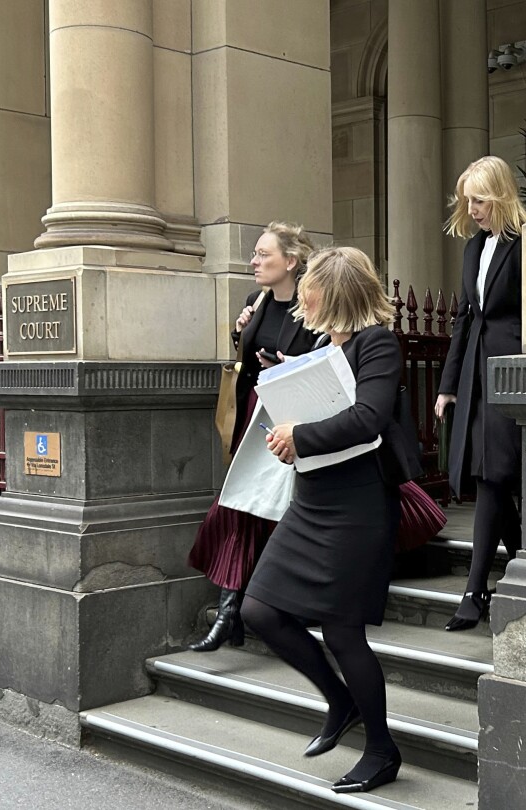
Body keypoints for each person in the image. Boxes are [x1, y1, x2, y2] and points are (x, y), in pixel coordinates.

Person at [241, 246, 421, 794]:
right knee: (259, 610)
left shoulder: (377, 344)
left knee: (343, 633)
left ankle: (382, 751)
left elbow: (368, 418)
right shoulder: (322, 344)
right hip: (313, 499)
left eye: (311, 289)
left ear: (331, 293)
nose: (303, 298)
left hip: (358, 506)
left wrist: (300, 436)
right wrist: (286, 431)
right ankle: (342, 701)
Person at [185, 222, 320, 652]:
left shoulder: (311, 304)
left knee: (266, 508)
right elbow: (246, 361)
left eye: (264, 254)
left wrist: (288, 364)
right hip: (253, 417)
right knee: (243, 506)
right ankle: (233, 611)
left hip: (290, 420)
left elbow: (324, 361)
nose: (254, 261)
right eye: (255, 254)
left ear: (291, 261)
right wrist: (240, 333)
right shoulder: (255, 301)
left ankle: (246, 609)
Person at [435, 156, 526, 632]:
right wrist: (448, 386)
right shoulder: (474, 247)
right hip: (475, 372)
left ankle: (475, 590)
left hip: (512, 370)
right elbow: (464, 317)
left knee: (495, 474)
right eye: (467, 201)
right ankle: (524, 562)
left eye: (479, 200)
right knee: (486, 473)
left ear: (501, 195)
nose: (471, 209)